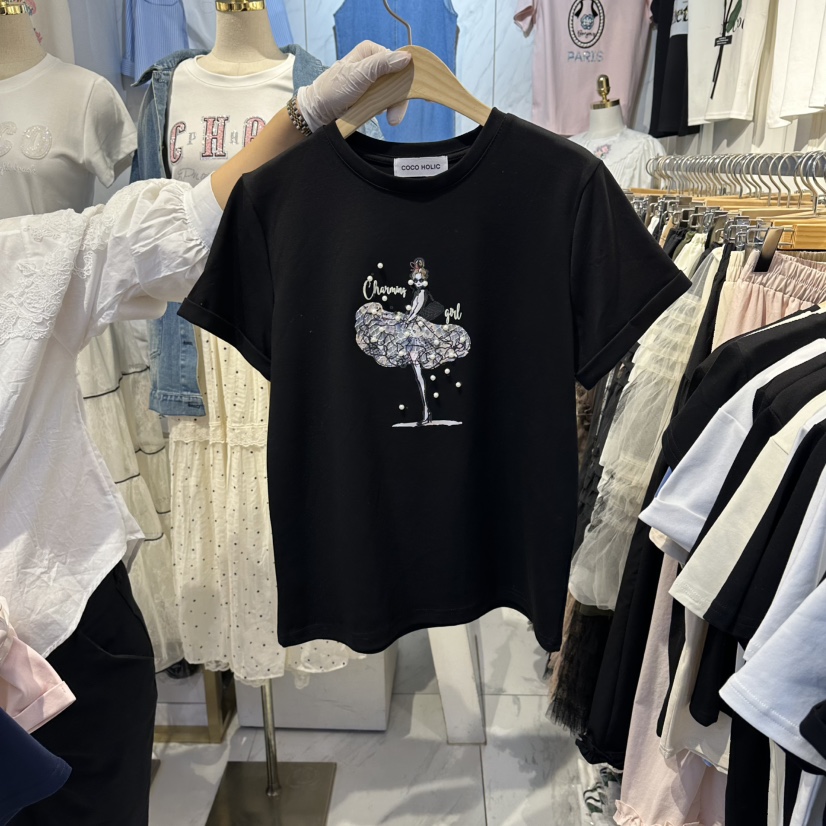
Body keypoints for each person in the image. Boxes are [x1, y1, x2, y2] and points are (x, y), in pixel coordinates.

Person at [0, 41, 411, 826]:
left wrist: (309, 108)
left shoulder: (23, 261)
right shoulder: (165, 87)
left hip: (65, 629)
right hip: (191, 361)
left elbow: (185, 222)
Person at [355, 257, 471, 426]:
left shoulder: (422, 294)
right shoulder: (418, 293)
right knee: (417, 374)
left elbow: (414, 313)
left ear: (424, 280)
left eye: (420, 280)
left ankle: (426, 411)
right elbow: (412, 314)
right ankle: (426, 411)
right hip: (412, 331)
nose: (418, 283)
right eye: (416, 280)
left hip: (415, 334)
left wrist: (404, 320)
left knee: (418, 374)